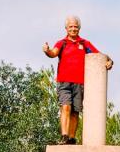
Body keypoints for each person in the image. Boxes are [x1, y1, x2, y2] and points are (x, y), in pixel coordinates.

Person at [43, 15, 113, 144]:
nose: (73, 29)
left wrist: (109, 60)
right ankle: (64, 135)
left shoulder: (84, 43)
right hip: (64, 82)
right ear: (66, 28)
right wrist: (47, 51)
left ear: (79, 28)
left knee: (75, 112)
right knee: (66, 107)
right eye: (70, 27)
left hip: (79, 83)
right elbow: (53, 53)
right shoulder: (62, 43)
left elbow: (99, 55)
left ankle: (71, 138)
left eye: (75, 27)